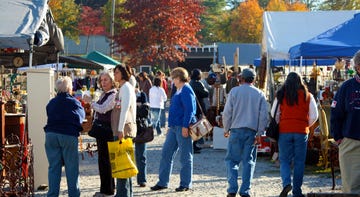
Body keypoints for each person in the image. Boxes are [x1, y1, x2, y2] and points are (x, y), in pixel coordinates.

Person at [222, 68, 269, 197]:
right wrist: (260, 133)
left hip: (236, 130)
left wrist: (226, 129)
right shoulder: (259, 93)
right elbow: (263, 116)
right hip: (252, 132)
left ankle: (232, 189)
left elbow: (227, 113)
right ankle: (245, 190)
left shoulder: (234, 91)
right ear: (253, 79)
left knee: (232, 160)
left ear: (241, 78)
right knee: (248, 161)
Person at [271, 72, 318, 197]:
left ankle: (287, 183)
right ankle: (297, 191)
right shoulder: (308, 96)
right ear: (300, 82)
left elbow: (273, 113)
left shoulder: (281, 95)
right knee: (299, 162)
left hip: (284, 130)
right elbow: (314, 115)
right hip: (301, 131)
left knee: (284, 160)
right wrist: (306, 124)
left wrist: (280, 123)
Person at [150, 67, 197, 192]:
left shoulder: (186, 89)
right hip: (174, 127)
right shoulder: (179, 89)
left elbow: (190, 109)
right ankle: (163, 181)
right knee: (166, 153)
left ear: (178, 77)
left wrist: (185, 126)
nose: (171, 80)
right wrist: (170, 126)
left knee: (185, 155)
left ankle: (186, 183)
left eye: (173, 77)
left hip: (182, 126)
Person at [44, 76, 85, 197]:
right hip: (68, 135)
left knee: (53, 167)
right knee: (71, 168)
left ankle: (52, 194)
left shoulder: (51, 102)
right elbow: (81, 118)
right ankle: (73, 194)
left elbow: (49, 114)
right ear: (69, 89)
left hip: (51, 135)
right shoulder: (74, 102)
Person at [331, 50, 360, 194]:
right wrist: (338, 137)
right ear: (358, 67)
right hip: (351, 142)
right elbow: (336, 113)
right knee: (351, 188)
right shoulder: (347, 87)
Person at [83, 71, 116, 197]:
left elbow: (103, 109)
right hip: (102, 130)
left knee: (106, 160)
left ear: (112, 81)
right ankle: (106, 188)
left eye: (106, 80)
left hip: (107, 130)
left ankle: (108, 190)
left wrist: (91, 102)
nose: (103, 83)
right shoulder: (104, 93)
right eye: (102, 80)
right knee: (103, 160)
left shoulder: (113, 94)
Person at [113, 64, 137, 197]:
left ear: (123, 73)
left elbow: (125, 109)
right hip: (122, 128)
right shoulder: (122, 88)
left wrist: (120, 129)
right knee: (124, 163)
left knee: (123, 164)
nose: (115, 75)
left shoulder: (126, 88)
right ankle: (126, 193)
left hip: (124, 129)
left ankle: (123, 193)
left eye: (117, 72)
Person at [189, 68, 209, 153]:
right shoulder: (198, 83)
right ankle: (195, 145)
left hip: (192, 107)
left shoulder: (190, 83)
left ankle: (194, 144)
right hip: (198, 107)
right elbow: (206, 93)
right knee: (198, 126)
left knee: (193, 126)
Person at [135, 89, 150, 187]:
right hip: (126, 127)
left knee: (141, 155)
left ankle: (142, 179)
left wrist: (138, 107)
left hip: (140, 128)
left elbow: (145, 111)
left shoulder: (142, 94)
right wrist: (137, 105)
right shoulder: (121, 93)